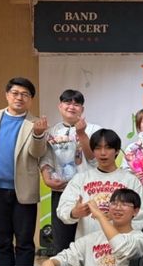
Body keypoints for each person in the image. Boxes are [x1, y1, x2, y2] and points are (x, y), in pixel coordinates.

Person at [0, 77, 48, 266]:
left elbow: (38, 154)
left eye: (25, 94)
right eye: (15, 93)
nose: (19, 98)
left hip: (24, 191)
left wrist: (38, 134)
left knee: (25, 242)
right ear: (7, 95)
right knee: (2, 241)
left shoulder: (36, 123)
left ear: (31, 99)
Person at [57, 129, 143, 241]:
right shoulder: (80, 179)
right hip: (88, 245)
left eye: (108, 148)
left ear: (117, 151)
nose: (103, 153)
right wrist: (74, 213)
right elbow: (62, 210)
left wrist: (122, 237)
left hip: (120, 246)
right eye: (98, 148)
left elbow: (140, 216)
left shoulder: (131, 181)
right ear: (93, 151)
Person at [40, 89, 101, 253]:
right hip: (61, 191)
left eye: (77, 104)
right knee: (62, 242)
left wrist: (81, 134)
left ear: (82, 109)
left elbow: (93, 158)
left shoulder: (94, 129)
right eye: (67, 102)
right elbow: (46, 159)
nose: (72, 107)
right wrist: (47, 178)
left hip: (87, 192)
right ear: (60, 106)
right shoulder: (51, 132)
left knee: (89, 239)